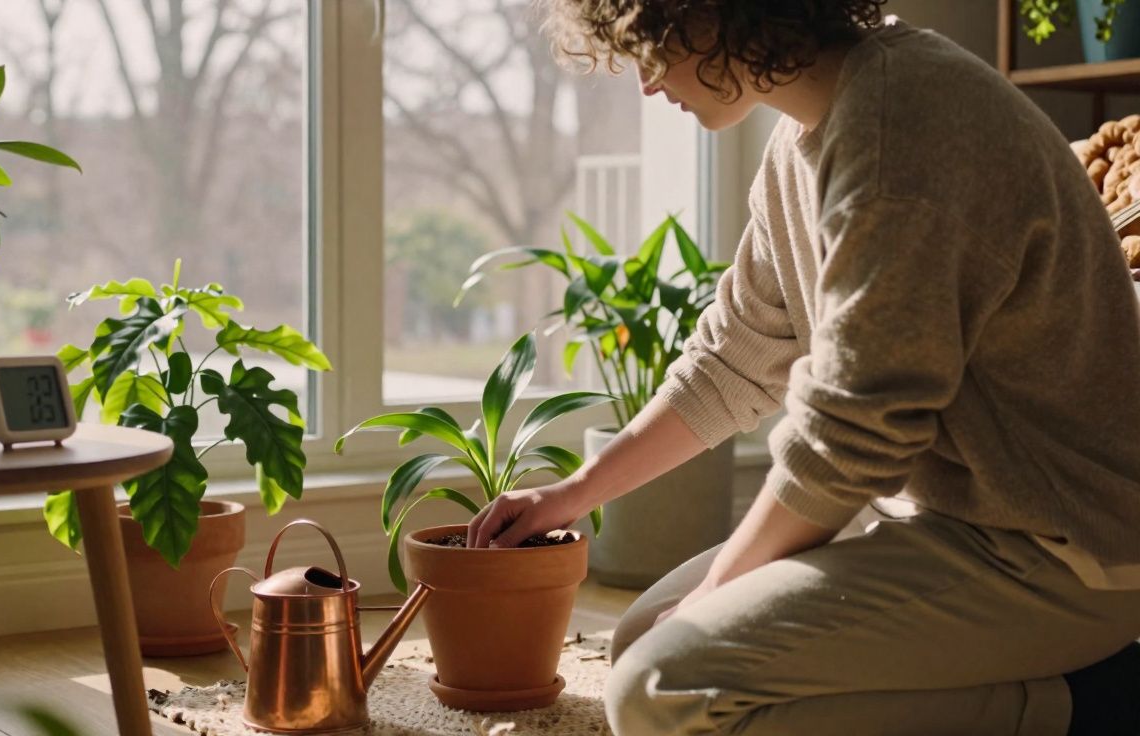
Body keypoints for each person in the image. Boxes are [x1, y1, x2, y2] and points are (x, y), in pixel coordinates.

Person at [464, 1, 1140, 734]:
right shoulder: (805, 138)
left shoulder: (903, 128)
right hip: (945, 523)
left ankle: (1082, 708)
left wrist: (715, 592)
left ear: (714, 14)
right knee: (640, 646)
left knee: (660, 687)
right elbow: (733, 360)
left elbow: (854, 430)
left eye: (649, 50)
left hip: (1060, 554)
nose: (648, 87)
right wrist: (572, 493)